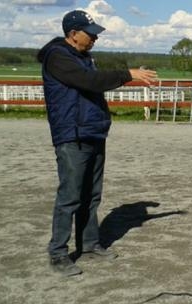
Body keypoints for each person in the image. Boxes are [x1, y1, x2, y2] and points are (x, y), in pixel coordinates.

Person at [37, 9, 158, 276]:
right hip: (73, 135)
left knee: (91, 195)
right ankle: (58, 253)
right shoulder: (58, 58)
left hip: (92, 132)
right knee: (70, 196)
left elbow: (93, 83)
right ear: (73, 34)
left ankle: (89, 244)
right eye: (90, 34)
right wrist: (128, 74)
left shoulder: (83, 57)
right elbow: (90, 83)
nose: (94, 39)